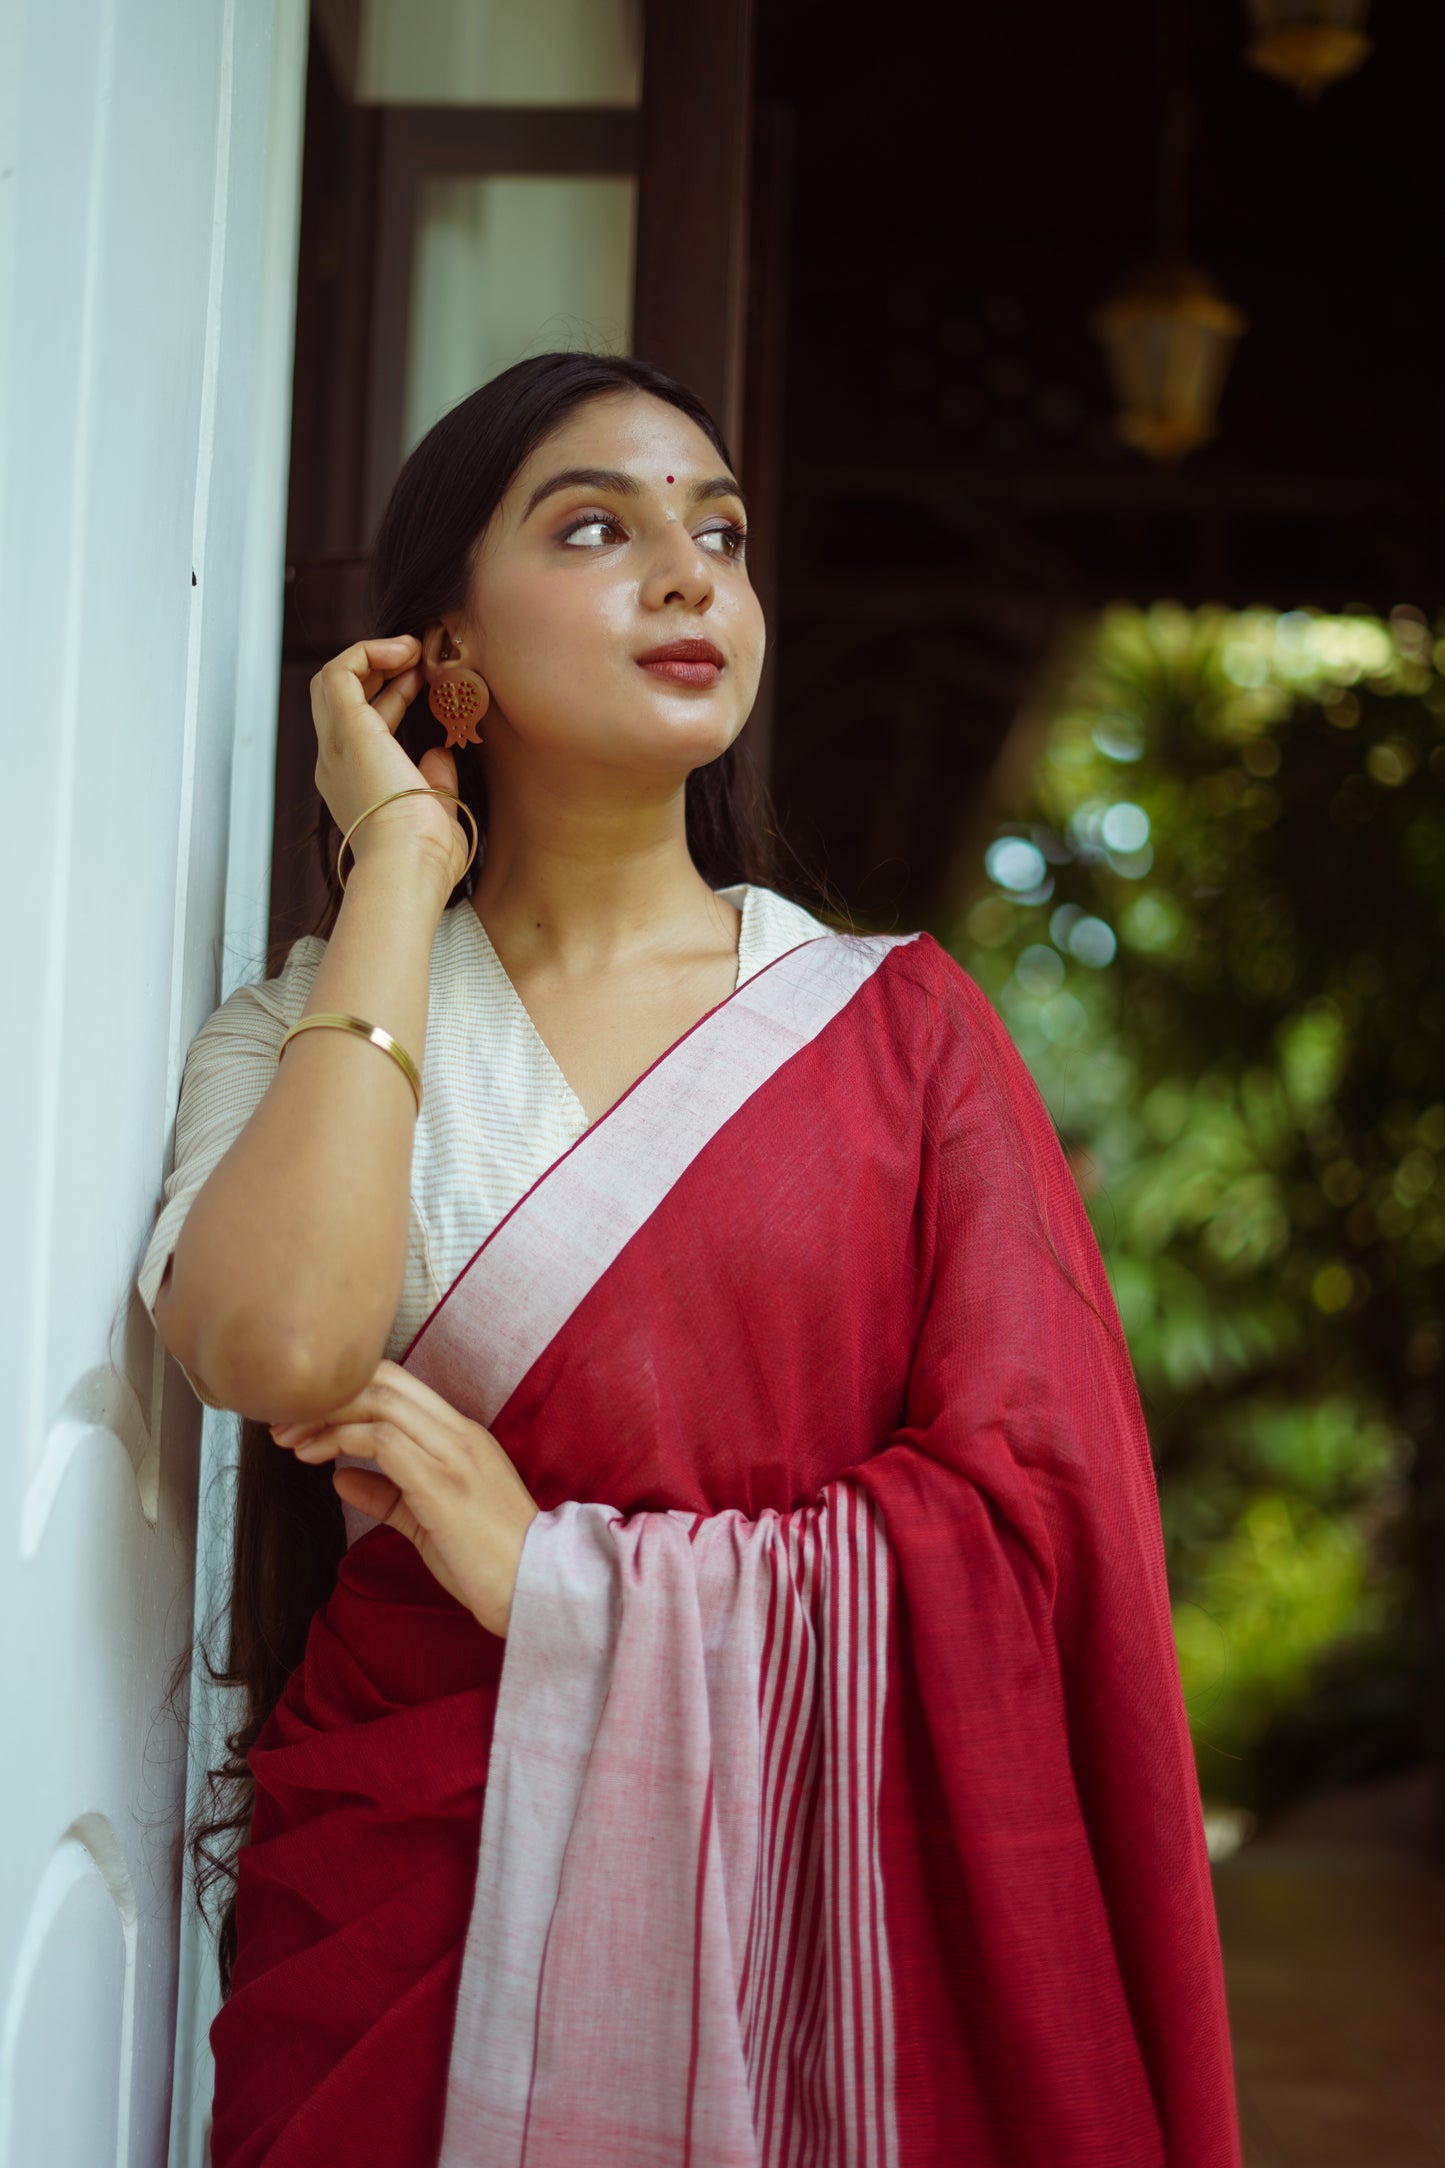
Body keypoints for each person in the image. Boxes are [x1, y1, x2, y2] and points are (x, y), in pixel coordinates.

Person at [138, 351, 1241, 2168]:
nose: (687, 574)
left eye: (717, 533)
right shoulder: (298, 1034)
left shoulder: (897, 1037)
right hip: (412, 1896)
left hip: (814, 1931)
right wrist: (401, 865)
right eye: (596, 527)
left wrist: (560, 1581)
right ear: (446, 658)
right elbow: (275, 1349)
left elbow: (1033, 1518)